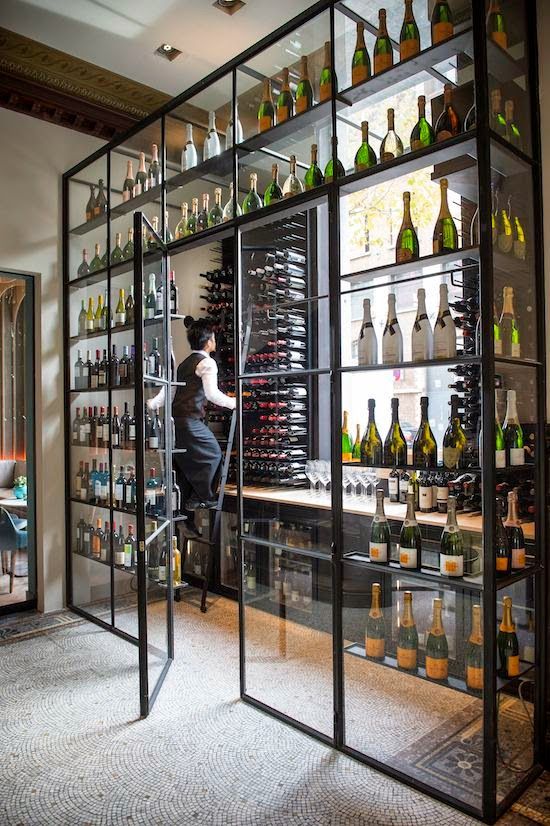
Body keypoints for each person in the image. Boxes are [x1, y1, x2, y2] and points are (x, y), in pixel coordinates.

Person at [148, 317, 235, 535]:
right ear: (209, 341)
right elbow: (211, 394)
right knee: (214, 454)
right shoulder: (207, 363)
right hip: (189, 421)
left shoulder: (185, 363)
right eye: (214, 338)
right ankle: (203, 498)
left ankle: (189, 509)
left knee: (185, 468)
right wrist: (235, 403)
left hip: (176, 423)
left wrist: (152, 404)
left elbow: (169, 392)